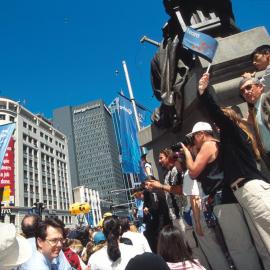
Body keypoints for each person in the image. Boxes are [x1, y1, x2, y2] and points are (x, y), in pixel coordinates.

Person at [197, 72, 270, 269]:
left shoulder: (231, 130)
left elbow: (217, 115)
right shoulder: (233, 139)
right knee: (263, 245)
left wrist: (204, 93)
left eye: (218, 124)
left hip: (252, 189)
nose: (216, 128)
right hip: (244, 193)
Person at [239, 76, 270, 169]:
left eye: (248, 87)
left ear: (260, 87)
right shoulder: (254, 111)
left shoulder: (267, 97)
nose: (246, 92)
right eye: (242, 91)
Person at [143, 176, 171, 253]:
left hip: (161, 223)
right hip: (166, 221)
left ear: (152, 182)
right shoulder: (160, 190)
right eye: (145, 185)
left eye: (147, 184)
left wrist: (148, 209)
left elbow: (155, 207)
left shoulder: (154, 191)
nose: (146, 187)